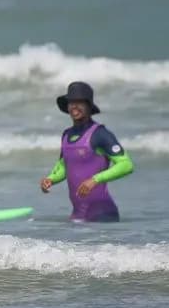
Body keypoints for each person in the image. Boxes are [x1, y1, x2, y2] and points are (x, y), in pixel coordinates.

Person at [40, 81, 134, 222]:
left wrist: (95, 180)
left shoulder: (100, 134)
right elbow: (64, 167)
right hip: (78, 215)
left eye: (80, 102)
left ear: (89, 106)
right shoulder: (66, 135)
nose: (74, 106)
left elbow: (126, 165)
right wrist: (50, 179)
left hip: (102, 214)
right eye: (71, 102)